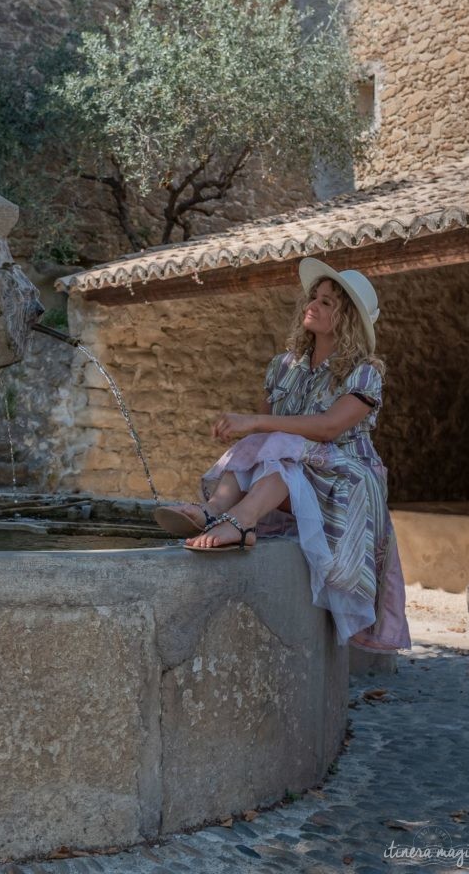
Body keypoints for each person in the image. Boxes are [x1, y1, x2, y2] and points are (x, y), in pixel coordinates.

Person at [153, 258, 411, 653]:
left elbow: (328, 428)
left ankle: (240, 522)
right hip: (293, 472)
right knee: (268, 444)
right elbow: (266, 434)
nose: (313, 304)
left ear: (347, 319)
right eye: (315, 297)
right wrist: (251, 428)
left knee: (278, 442)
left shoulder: (364, 372)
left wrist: (254, 422)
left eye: (327, 303)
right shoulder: (283, 366)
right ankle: (214, 512)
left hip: (346, 478)